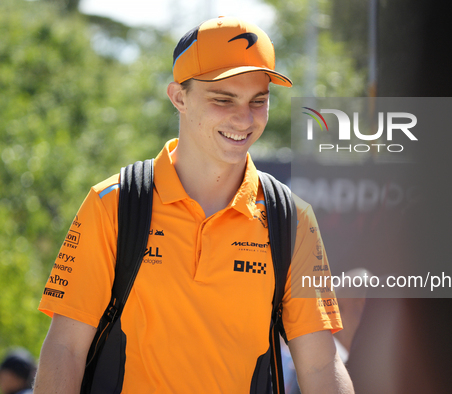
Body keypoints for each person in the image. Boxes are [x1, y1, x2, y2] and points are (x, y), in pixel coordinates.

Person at [33, 16, 353, 394]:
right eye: (223, 99)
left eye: (259, 101)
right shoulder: (113, 204)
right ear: (178, 97)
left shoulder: (292, 219)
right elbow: (65, 349)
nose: (244, 118)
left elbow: (320, 365)